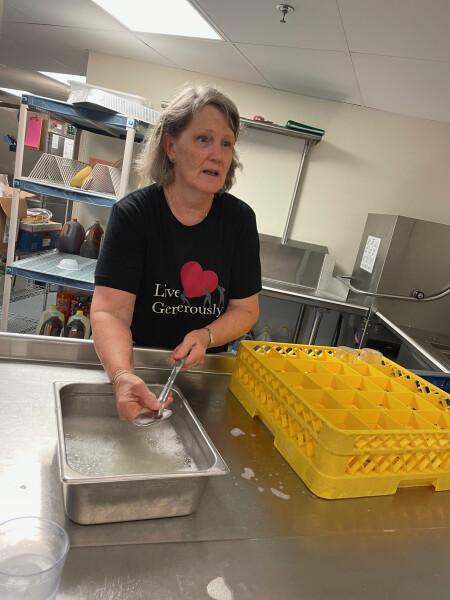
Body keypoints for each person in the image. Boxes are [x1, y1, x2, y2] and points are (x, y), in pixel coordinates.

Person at [91, 82, 261, 423]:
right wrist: (122, 376)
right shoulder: (135, 215)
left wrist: (205, 335)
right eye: (204, 139)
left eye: (227, 144)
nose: (218, 153)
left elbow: (245, 309)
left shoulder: (239, 221)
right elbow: (110, 312)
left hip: (205, 375)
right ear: (170, 145)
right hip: (137, 365)